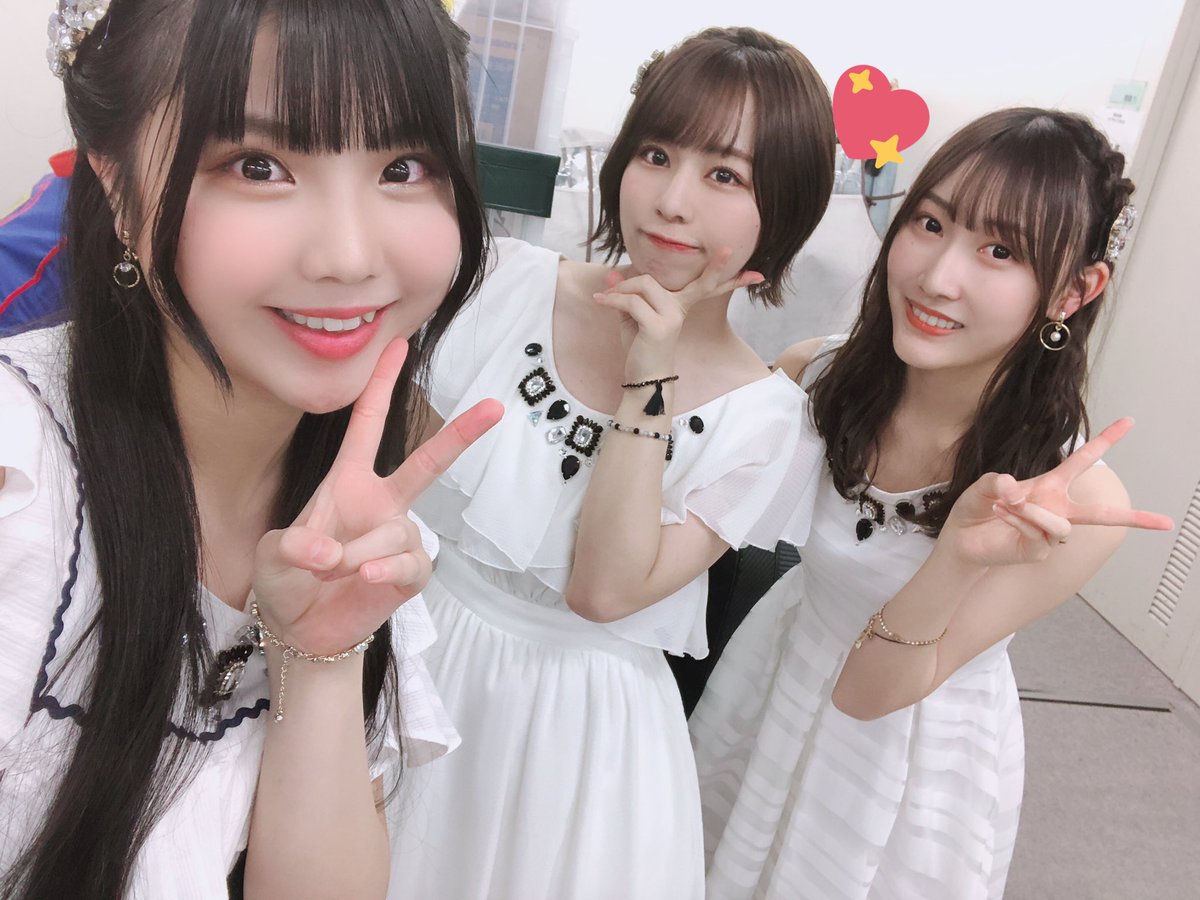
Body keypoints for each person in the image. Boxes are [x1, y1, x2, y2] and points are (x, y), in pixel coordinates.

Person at [0, 1, 502, 897]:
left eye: (404, 166)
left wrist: (320, 659)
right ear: (117, 186)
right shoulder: (20, 482)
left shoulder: (358, 534)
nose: (350, 256)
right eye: (259, 166)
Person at [388, 26, 835, 899]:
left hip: (581, 731)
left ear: (783, 207)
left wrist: (649, 377)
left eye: (725, 176)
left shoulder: (768, 422)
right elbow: (389, 480)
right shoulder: (502, 281)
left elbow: (603, 592)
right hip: (420, 650)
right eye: (657, 154)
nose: (671, 201)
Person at [688, 107, 1174, 900]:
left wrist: (955, 560)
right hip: (775, 674)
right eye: (931, 222)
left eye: (1001, 251)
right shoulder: (816, 377)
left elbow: (869, 697)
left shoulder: (1076, 501)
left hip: (908, 746)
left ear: (1075, 290)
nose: (938, 277)